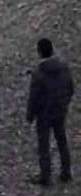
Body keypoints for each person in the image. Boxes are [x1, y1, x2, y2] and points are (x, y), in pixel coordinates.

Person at [27, 38, 73, 186]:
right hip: (59, 110)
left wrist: (30, 114)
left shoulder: (38, 73)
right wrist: (65, 103)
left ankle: (45, 176)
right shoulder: (64, 68)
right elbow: (70, 87)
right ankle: (66, 171)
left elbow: (34, 97)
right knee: (62, 141)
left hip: (44, 114)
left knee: (44, 145)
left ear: (39, 52)